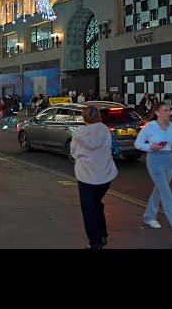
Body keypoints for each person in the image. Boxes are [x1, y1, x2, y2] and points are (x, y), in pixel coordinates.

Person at [134, 102, 172, 241]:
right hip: (154, 160)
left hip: (169, 160)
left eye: (170, 110)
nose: (169, 113)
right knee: (167, 195)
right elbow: (138, 143)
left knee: (160, 190)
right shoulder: (150, 127)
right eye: (166, 110)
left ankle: (149, 216)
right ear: (157, 112)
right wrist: (150, 147)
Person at [70, 106, 118, 249]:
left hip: (86, 176)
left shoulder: (79, 133)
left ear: (84, 117)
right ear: (98, 116)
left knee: (89, 210)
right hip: (105, 175)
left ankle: (95, 242)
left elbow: (74, 152)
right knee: (97, 204)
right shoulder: (104, 129)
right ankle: (102, 234)